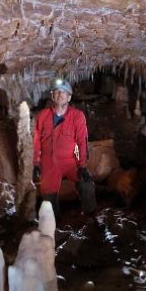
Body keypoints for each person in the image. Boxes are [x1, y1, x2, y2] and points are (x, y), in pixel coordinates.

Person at [32, 78, 97, 217]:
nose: (60, 95)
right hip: (48, 161)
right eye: (57, 92)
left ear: (69, 97)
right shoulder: (43, 116)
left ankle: (90, 217)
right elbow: (36, 141)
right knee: (48, 198)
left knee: (87, 183)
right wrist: (35, 163)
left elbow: (81, 142)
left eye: (64, 92)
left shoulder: (77, 116)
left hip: (70, 160)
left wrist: (82, 165)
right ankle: (56, 228)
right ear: (52, 95)